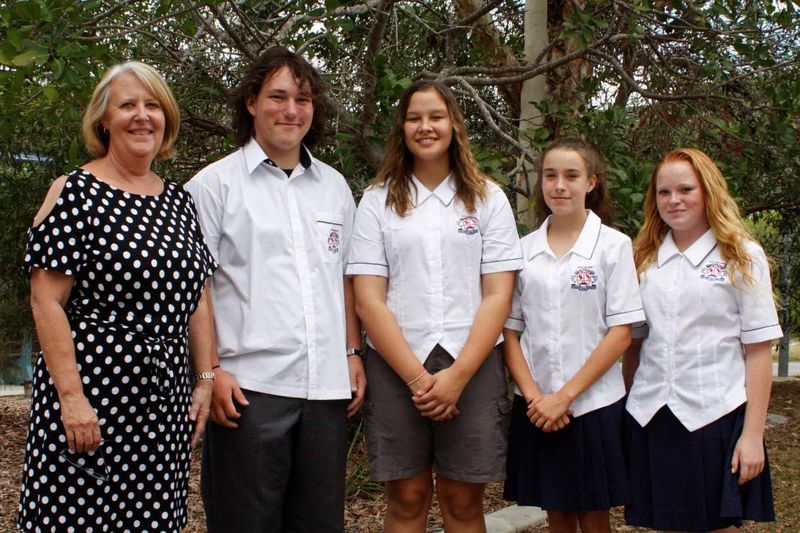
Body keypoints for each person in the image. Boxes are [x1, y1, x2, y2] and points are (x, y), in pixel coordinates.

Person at [18, 61, 217, 532]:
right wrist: (71, 399)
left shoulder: (179, 202)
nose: (142, 116)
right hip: (91, 400)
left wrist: (205, 377)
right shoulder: (74, 192)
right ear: (104, 119)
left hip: (163, 408)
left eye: (153, 105)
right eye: (128, 105)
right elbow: (46, 301)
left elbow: (196, 298)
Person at [184, 46, 365, 532]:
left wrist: (352, 352)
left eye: (303, 99)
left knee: (318, 524)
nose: (291, 110)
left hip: (326, 389)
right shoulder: (212, 186)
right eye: (278, 96)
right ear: (251, 101)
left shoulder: (335, 187)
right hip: (247, 389)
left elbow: (344, 279)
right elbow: (195, 288)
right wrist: (210, 371)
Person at [347, 80, 522, 532]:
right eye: (414, 118)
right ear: (402, 128)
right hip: (397, 361)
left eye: (436, 117)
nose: (425, 127)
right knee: (406, 497)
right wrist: (419, 378)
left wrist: (458, 376)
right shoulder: (376, 200)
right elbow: (368, 298)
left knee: (463, 501)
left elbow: (498, 295)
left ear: (454, 125)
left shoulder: (487, 198)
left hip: (473, 361)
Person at [624, 148, 781, 532]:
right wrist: (630, 403)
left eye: (685, 189)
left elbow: (758, 350)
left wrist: (753, 435)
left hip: (715, 415)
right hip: (653, 415)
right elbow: (634, 344)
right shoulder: (642, 258)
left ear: (707, 191)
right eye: (664, 192)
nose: (674, 200)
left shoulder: (742, 256)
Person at [502, 138, 644, 532]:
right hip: (536, 405)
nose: (559, 185)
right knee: (556, 512)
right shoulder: (522, 250)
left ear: (591, 183)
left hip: (594, 404)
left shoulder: (613, 246)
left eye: (571, 176)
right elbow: (510, 333)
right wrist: (536, 399)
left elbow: (620, 334)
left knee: (595, 514)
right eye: (550, 175)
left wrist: (564, 398)